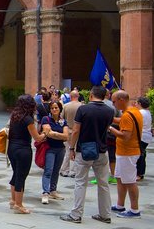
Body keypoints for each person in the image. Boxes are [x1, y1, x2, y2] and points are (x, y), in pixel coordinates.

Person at [61, 85, 115, 224]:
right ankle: (105, 214)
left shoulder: (83, 109)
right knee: (103, 184)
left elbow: (76, 130)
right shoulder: (110, 111)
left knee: (80, 182)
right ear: (104, 96)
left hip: (84, 150)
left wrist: (72, 147)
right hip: (102, 150)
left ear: (91, 95)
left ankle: (76, 214)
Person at [8, 94, 47, 214]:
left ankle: (13, 200)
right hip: (23, 150)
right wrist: (45, 133)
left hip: (12, 148)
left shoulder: (14, 116)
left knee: (16, 173)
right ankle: (19, 205)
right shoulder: (28, 119)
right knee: (21, 176)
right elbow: (37, 138)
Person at [109, 90, 143, 218]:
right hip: (124, 152)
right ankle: (120, 205)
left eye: (114, 101)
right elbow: (122, 120)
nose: (113, 105)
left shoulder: (128, 115)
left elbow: (125, 136)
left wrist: (111, 129)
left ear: (121, 100)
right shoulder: (133, 112)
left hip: (128, 152)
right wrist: (111, 119)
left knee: (129, 181)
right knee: (120, 179)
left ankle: (134, 210)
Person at [40, 100, 69, 204]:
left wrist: (54, 134)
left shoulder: (63, 121)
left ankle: (53, 190)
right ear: (50, 110)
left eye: (56, 107)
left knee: (56, 171)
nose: (54, 109)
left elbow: (66, 137)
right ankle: (45, 192)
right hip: (50, 149)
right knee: (48, 170)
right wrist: (58, 135)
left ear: (60, 109)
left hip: (60, 149)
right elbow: (47, 133)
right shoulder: (46, 119)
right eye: (52, 108)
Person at [60, 89, 82, 177]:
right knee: (76, 150)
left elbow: (61, 118)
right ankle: (74, 171)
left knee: (67, 151)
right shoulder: (82, 106)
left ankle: (64, 170)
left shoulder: (66, 106)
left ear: (70, 96)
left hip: (68, 130)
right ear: (78, 96)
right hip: (78, 131)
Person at [136, 97, 153, 180]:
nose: (135, 104)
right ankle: (140, 173)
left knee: (140, 155)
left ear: (139, 104)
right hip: (146, 136)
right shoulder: (148, 112)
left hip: (142, 136)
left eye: (136, 103)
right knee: (142, 154)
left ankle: (139, 173)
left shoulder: (141, 112)